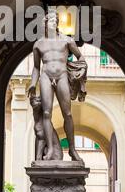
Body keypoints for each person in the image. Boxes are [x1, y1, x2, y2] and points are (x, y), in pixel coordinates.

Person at [28, 10, 86, 162]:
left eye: (56, 20)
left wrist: (82, 68)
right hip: (46, 75)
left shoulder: (67, 41)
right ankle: (51, 149)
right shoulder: (38, 44)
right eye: (51, 20)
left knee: (67, 113)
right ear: (45, 24)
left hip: (62, 76)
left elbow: (80, 57)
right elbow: (36, 67)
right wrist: (32, 84)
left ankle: (72, 150)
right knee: (46, 113)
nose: (54, 22)